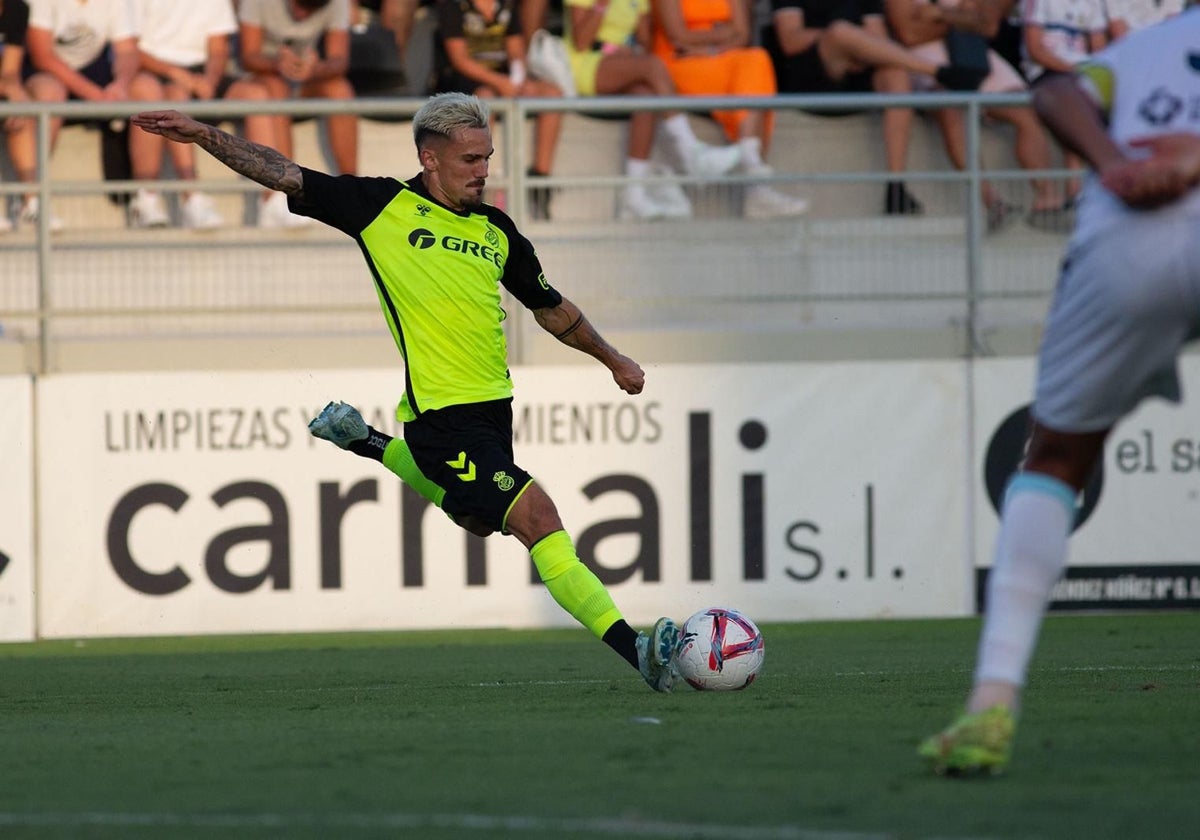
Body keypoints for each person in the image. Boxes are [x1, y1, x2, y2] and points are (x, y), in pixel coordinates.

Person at [129, 92, 684, 693]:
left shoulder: (497, 229)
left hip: (494, 411)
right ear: (430, 157)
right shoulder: (381, 207)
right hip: (443, 417)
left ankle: (367, 442)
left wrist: (611, 357)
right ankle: (637, 651)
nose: (483, 170)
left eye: (488, 157)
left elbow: (549, 307)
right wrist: (201, 133)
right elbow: (279, 168)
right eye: (470, 159)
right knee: (537, 517)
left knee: (477, 518)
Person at [918, 8, 1200, 774]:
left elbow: (1055, 91)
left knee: (1053, 459)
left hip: (1128, 236)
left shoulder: (1151, 48)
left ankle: (992, 706)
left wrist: (1112, 158)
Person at [764, 0, 990, 216]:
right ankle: (937, 71)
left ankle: (896, 186)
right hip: (811, 77)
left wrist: (858, 46)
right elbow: (790, 40)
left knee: (896, 75)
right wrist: (847, 41)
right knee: (840, 31)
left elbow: (878, 36)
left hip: (858, 67)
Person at [883, 0, 1068, 231]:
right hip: (925, 61)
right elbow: (909, 35)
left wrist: (939, 14)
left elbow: (988, 25)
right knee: (950, 106)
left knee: (1024, 110)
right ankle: (993, 203)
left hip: (973, 54)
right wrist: (962, 18)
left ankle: (1048, 200)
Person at [562, 0, 743, 220]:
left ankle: (633, 193)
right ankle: (690, 153)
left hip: (619, 63)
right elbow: (581, 42)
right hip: (583, 63)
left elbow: (644, 43)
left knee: (645, 95)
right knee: (654, 66)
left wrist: (630, 51)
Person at [133, 0, 284, 229]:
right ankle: (191, 197)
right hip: (157, 73)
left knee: (256, 94)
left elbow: (218, 49)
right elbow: (129, 48)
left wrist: (209, 81)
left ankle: (272, 199)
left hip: (202, 75)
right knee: (174, 98)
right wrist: (177, 74)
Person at [651, 0, 811, 218]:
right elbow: (678, 36)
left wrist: (709, 48)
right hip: (677, 64)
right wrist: (723, 33)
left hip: (715, 55)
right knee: (749, 71)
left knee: (757, 60)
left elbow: (742, 34)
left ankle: (752, 172)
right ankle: (755, 179)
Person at [23, 0, 162, 231]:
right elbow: (42, 56)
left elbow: (127, 51)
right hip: (46, 75)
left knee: (147, 88)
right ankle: (33, 197)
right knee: (50, 93)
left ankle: (147, 198)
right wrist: (94, 94)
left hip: (94, 75)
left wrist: (120, 85)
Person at [434, 0, 562, 219]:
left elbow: (515, 50)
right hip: (463, 81)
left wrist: (519, 79)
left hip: (501, 78)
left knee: (552, 94)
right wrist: (500, 82)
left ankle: (540, 182)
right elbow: (459, 59)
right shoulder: (452, 5)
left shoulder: (506, 5)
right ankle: (475, 183)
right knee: (483, 101)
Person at [238, 0, 358, 227]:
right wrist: (277, 64)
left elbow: (339, 60)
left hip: (304, 78)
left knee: (340, 89)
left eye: (312, 8)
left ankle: (352, 190)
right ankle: (286, 192)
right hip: (260, 78)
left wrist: (315, 69)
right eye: (300, 5)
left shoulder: (337, 3)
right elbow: (248, 57)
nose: (303, 14)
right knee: (275, 86)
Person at [0, 0, 36, 233]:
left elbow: (10, 71)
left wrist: (15, 92)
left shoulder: (16, 9)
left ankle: (33, 201)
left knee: (21, 110)